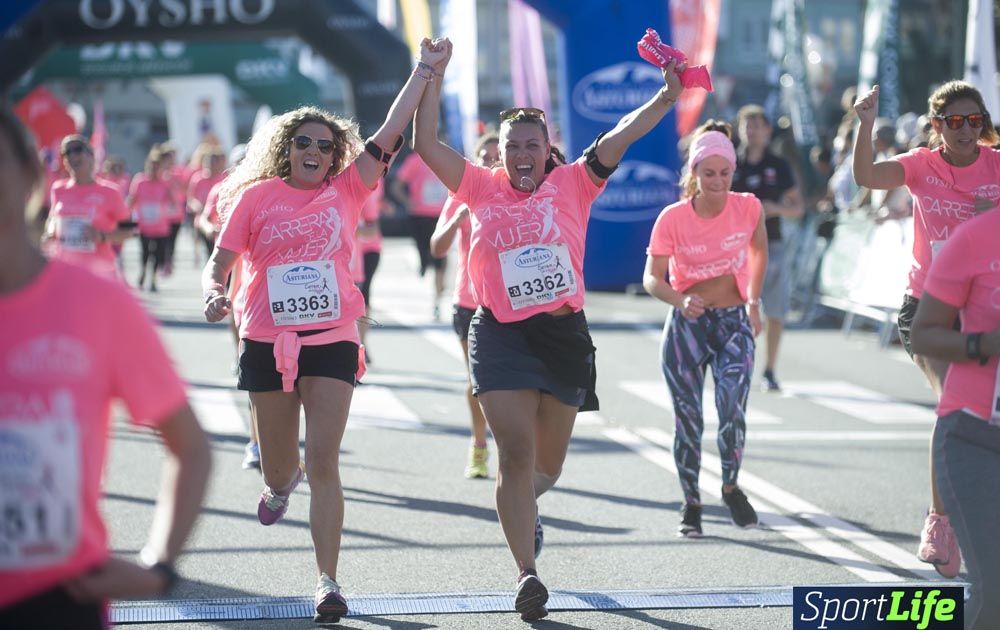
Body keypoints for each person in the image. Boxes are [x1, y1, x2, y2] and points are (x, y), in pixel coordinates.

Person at [414, 38, 685, 621]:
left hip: (563, 336)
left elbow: (624, 133)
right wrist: (431, 76)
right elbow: (425, 144)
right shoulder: (479, 187)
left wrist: (667, 95)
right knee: (514, 453)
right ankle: (527, 575)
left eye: (531, 146)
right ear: (502, 154)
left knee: (547, 466)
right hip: (500, 334)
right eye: (512, 147)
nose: (521, 155)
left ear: (547, 150)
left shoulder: (577, 182)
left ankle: (522, 508)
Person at [200, 37, 448, 625]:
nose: (314, 150)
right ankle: (279, 488)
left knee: (326, 463)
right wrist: (214, 291)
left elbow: (390, 129)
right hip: (265, 338)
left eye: (325, 144)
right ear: (286, 150)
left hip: (332, 335)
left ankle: (329, 582)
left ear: (336, 155)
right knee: (282, 469)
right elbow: (220, 261)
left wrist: (424, 70)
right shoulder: (256, 197)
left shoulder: (348, 189)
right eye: (303, 142)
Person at [0, 108, 212, 630]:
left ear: (29, 172)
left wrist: (159, 567)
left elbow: (190, 448)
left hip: (54, 599)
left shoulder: (101, 305)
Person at [852, 81, 1000, 578]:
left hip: (984, 308)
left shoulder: (998, 168)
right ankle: (940, 521)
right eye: (954, 122)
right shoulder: (921, 165)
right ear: (938, 126)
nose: (965, 130)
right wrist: (866, 124)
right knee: (953, 397)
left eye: (974, 120)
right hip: (929, 308)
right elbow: (868, 175)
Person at [642, 121, 767, 537]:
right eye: (708, 173)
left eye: (724, 173)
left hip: (733, 322)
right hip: (688, 326)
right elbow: (652, 278)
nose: (717, 181)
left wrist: (753, 300)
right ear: (693, 173)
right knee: (688, 420)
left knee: (732, 408)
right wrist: (680, 299)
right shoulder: (673, 218)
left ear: (733, 172)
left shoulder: (748, 207)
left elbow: (759, 249)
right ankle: (691, 502)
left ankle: (730, 485)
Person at [910, 208, 1000, 629]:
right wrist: (986, 342)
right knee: (994, 592)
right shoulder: (975, 238)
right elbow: (923, 333)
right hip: (974, 437)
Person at [429, 132, 500, 479]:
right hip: (469, 302)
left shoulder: (518, 193)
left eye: (496, 155)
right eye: (484, 156)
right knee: (478, 380)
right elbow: (437, 248)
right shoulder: (462, 192)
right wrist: (457, 220)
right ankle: (479, 444)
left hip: (512, 303)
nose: (490, 161)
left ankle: (517, 448)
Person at [731, 104, 803, 392]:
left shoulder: (778, 165)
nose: (753, 131)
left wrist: (774, 208)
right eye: (748, 126)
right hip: (735, 247)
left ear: (768, 130)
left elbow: (798, 207)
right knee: (737, 310)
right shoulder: (730, 164)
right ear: (739, 130)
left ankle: (770, 368)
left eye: (758, 126)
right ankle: (738, 363)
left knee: (775, 310)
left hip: (771, 244)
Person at [42, 135, 133, 279]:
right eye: (66, 152)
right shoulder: (58, 189)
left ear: (91, 156)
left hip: (99, 273)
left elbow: (130, 229)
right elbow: (52, 219)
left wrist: (102, 236)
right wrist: (49, 232)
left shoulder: (111, 192)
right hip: (65, 270)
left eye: (77, 150)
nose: (72, 155)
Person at [392, 149, 451, 319]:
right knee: (426, 257)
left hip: (441, 215)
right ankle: (425, 268)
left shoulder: (446, 158)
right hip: (420, 216)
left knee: (440, 257)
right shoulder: (414, 161)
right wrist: (407, 202)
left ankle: (437, 300)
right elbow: (397, 186)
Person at [128, 147, 173, 292]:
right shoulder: (140, 181)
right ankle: (142, 272)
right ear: (146, 167)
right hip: (144, 225)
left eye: (156, 168)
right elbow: (132, 198)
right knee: (145, 253)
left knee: (158, 255)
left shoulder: (164, 183)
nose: (153, 171)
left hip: (160, 226)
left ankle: (153, 278)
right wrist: (125, 212)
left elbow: (172, 202)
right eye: (151, 168)